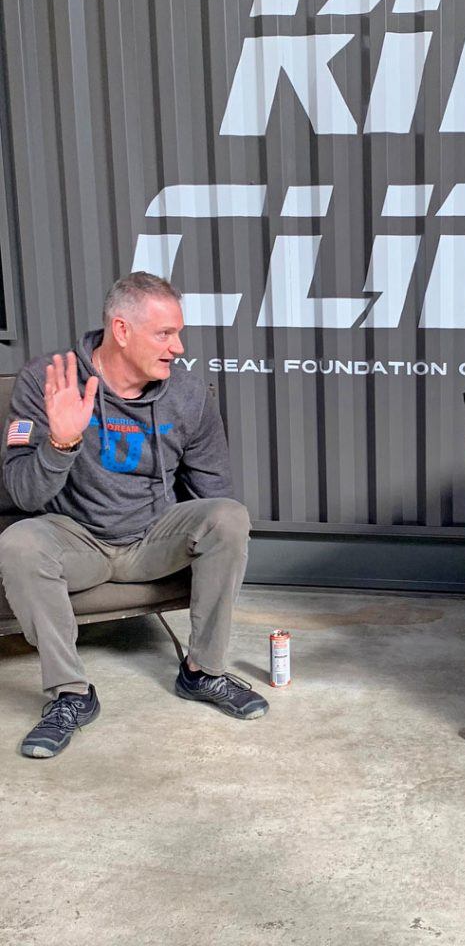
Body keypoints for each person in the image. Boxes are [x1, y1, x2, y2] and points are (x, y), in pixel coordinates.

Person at [0, 272, 268, 759]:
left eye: (177, 334)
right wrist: (61, 443)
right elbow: (21, 493)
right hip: (77, 540)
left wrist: (216, 550)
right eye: (164, 334)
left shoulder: (187, 395)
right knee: (19, 542)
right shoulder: (47, 381)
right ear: (121, 331)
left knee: (228, 516)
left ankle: (202, 672)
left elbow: (214, 492)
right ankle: (71, 695)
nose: (177, 347)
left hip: (152, 540)